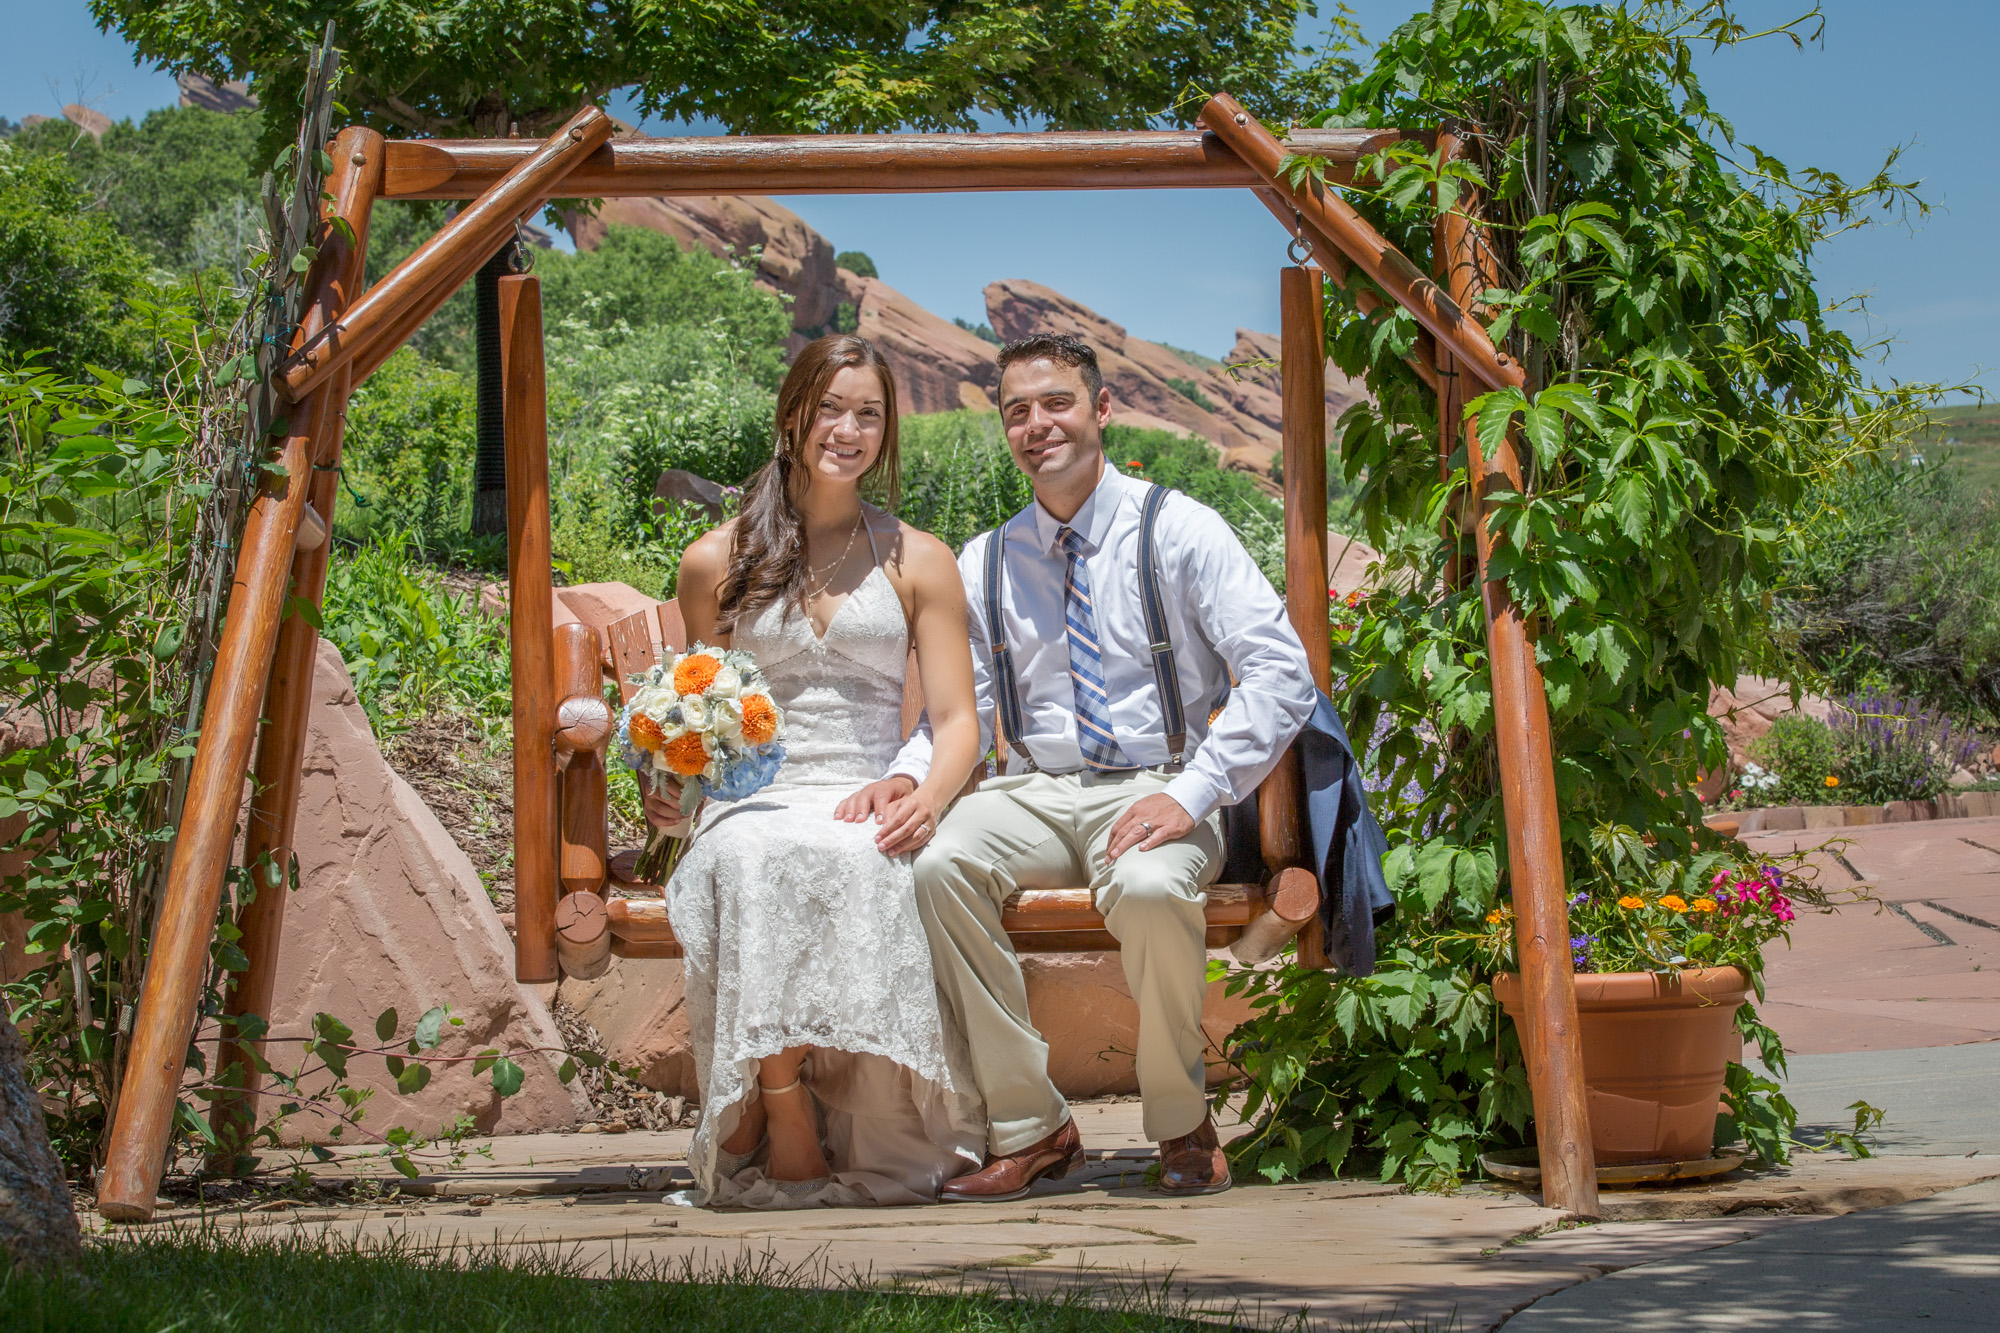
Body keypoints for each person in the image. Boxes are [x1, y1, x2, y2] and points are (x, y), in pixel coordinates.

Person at [849, 333, 1316, 1200]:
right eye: (1016, 411)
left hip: (1158, 781)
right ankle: (1033, 1127)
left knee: (1146, 886)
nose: (1037, 425)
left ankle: (1181, 1119)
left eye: (1056, 402)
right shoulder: (985, 559)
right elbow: (964, 708)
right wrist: (911, 772)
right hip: (1032, 791)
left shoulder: (1180, 527)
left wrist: (1193, 793)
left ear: (1102, 408)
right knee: (938, 864)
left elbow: (1283, 673)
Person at [645, 333, 986, 1208]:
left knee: (860, 857)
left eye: (868, 412)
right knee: (754, 858)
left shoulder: (919, 558)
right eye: (830, 407)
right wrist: (674, 787)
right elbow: (704, 709)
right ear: (790, 416)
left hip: (867, 787)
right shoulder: (716, 561)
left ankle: (789, 1103)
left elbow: (955, 721)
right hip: (755, 792)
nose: (848, 428)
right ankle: (783, 1102)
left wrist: (927, 794)